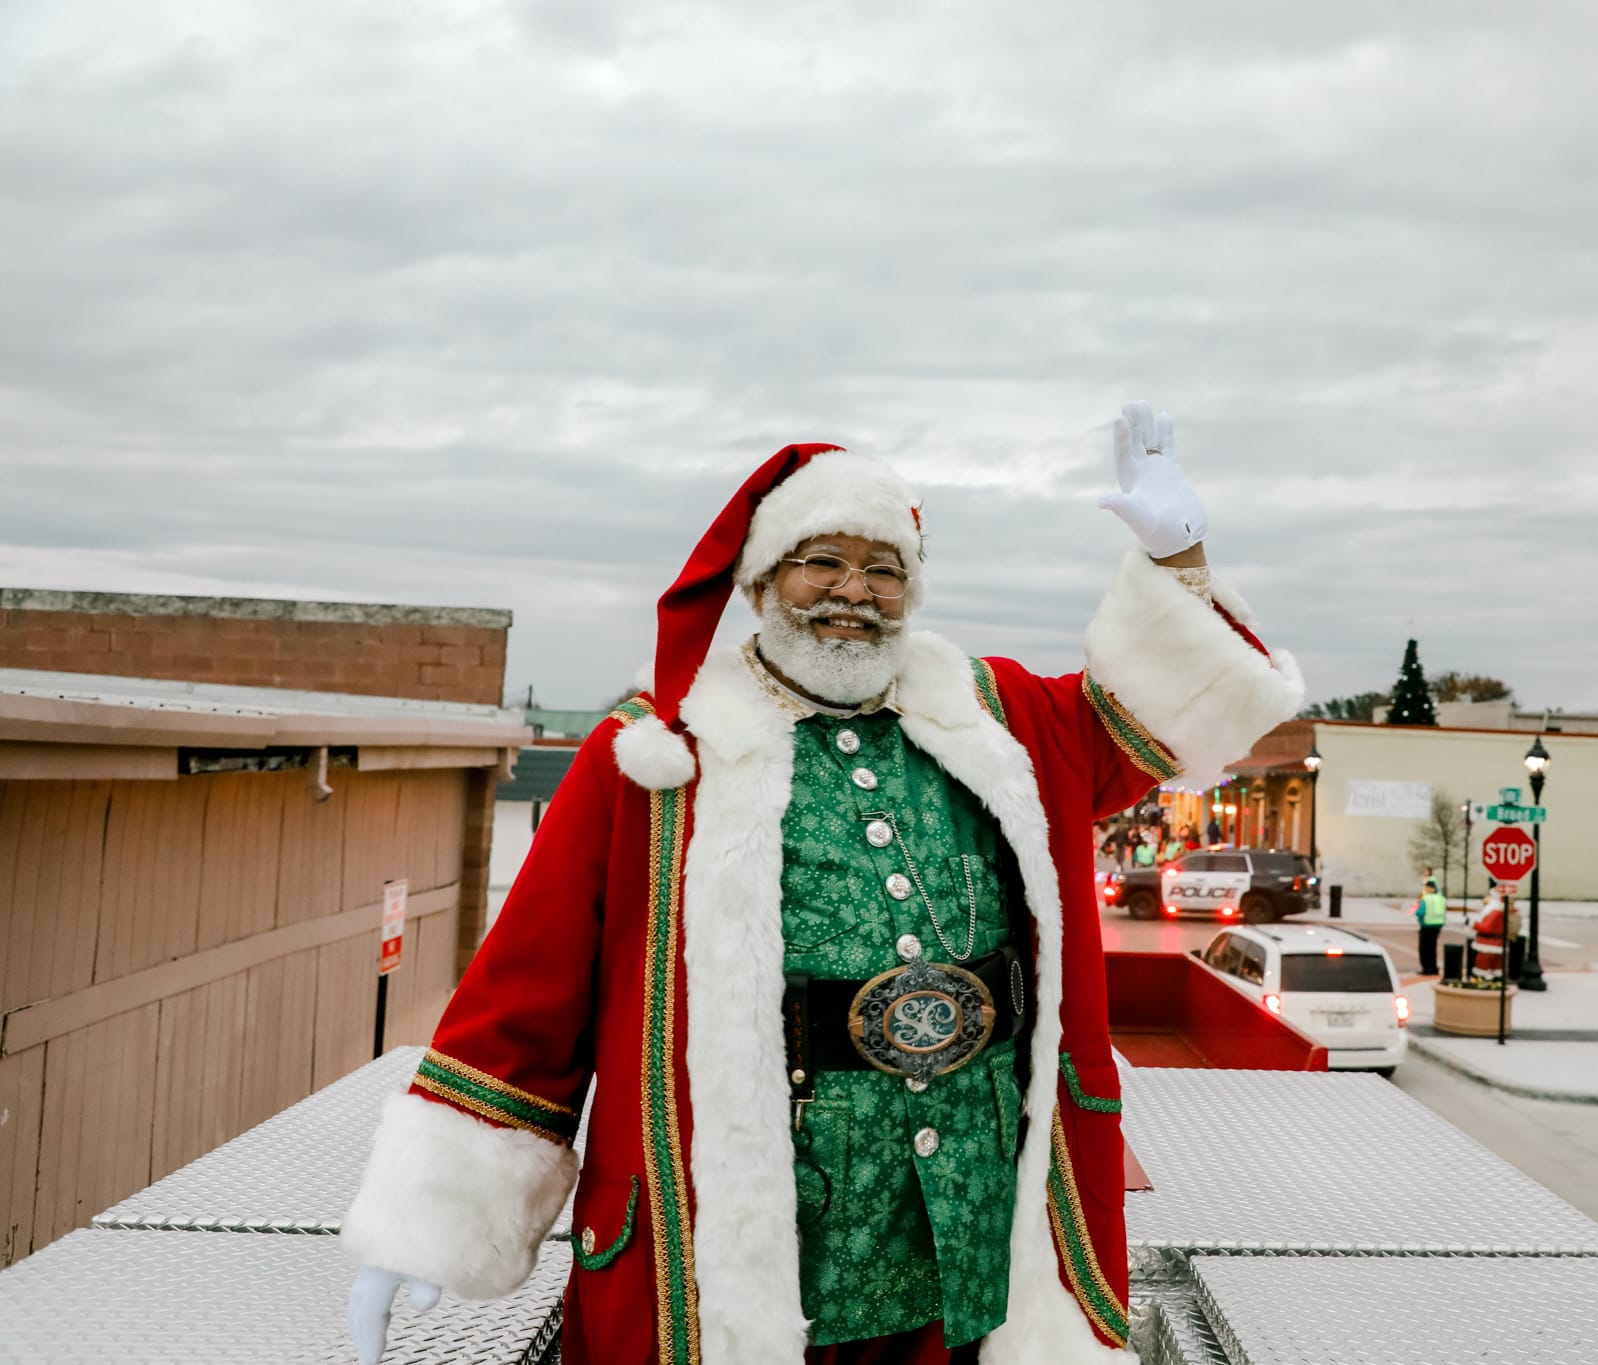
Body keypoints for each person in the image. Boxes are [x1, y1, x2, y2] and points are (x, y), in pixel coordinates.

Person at [340, 403, 1302, 1365]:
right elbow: (526, 992)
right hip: (761, 1242)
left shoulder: (992, 717)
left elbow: (1154, 720)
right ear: (761, 581)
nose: (855, 590)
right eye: (822, 561)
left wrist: (1180, 560)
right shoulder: (657, 754)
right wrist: (429, 1224)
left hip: (970, 1234)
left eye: (885, 569)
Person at [1413, 877, 1448, 976]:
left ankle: (1426, 968)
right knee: (1432, 948)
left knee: (1424, 949)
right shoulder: (1441, 898)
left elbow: (1420, 912)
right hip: (1437, 926)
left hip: (1426, 925)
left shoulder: (1425, 899)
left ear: (1429, 888)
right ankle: (1433, 968)